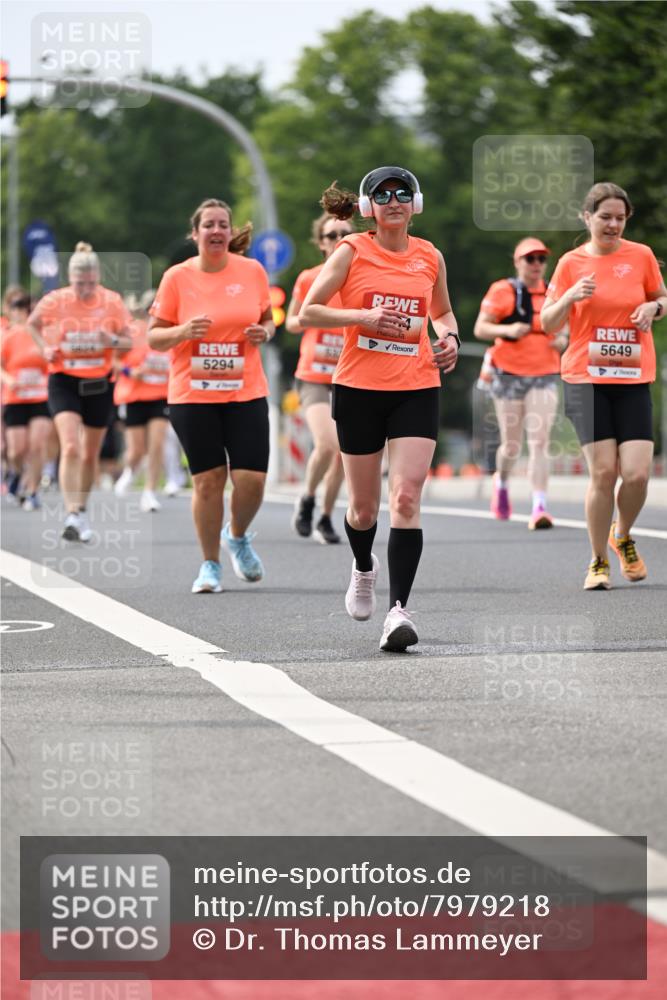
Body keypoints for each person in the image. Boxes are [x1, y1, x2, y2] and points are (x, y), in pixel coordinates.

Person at [300, 166, 459, 652]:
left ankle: (399, 612)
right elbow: (307, 311)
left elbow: (443, 312)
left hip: (416, 385)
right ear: (369, 207)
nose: (394, 200)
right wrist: (362, 315)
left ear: (415, 203)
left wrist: (449, 337)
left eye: (403, 193)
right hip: (359, 388)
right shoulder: (352, 250)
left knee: (406, 498)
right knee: (364, 509)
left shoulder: (429, 255)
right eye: (383, 194)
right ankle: (363, 566)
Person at [542, 182, 667, 590]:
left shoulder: (642, 256)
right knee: (603, 472)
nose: (613, 225)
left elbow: (663, 298)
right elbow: (548, 322)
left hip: (632, 376)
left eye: (620, 218)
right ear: (587, 217)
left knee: (636, 474)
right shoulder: (570, 263)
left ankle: (622, 534)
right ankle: (597, 561)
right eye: (605, 217)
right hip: (585, 378)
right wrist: (570, 297)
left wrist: (653, 306)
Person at [148, 198, 275, 593]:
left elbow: (268, 319)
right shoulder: (177, 278)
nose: (216, 230)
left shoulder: (252, 271)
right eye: (209, 225)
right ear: (196, 233)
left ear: (230, 231)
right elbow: (154, 337)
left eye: (223, 224)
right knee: (208, 481)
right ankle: (210, 565)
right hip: (193, 393)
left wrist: (265, 333)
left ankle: (236, 535)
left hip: (246, 389)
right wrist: (183, 331)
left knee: (251, 479)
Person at [28, 243, 133, 540]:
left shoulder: (111, 301)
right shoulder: (55, 300)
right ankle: (71, 512)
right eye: (79, 283)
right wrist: (44, 347)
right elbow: (32, 325)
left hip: (99, 383)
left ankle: (82, 509)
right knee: (71, 445)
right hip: (63, 380)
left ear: (98, 276)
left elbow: (129, 343)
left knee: (90, 453)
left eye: (90, 283)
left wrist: (110, 338)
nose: (85, 289)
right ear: (69, 278)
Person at [474, 238, 568, 529]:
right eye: (530, 259)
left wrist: (562, 341)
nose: (537, 264)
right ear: (518, 262)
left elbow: (566, 331)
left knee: (539, 442)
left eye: (541, 258)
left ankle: (540, 505)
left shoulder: (555, 292)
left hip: (544, 374)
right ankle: (501, 481)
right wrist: (509, 328)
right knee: (512, 446)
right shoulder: (503, 290)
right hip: (508, 374)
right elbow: (480, 328)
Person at [286, 212, 352, 544]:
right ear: (321, 242)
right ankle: (308, 497)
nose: (338, 238)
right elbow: (291, 323)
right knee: (328, 444)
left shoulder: (361, 277)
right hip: (314, 374)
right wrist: (320, 318)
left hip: (351, 375)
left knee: (345, 453)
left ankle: (326, 516)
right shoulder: (309, 277)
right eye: (331, 235)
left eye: (345, 232)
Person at [114, 291, 169, 512]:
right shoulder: (132, 331)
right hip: (134, 395)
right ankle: (129, 472)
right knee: (136, 450)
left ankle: (149, 492)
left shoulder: (170, 332)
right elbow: (113, 361)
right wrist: (130, 371)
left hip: (161, 395)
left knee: (156, 444)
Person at [1, 289, 52, 509]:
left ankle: (32, 491)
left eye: (26, 308)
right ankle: (16, 473)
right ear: (11, 311)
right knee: (15, 450)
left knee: (37, 446)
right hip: (15, 398)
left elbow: (53, 362)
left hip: (40, 397)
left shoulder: (42, 335)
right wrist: (9, 379)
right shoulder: (7, 335)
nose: (23, 312)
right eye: (18, 308)